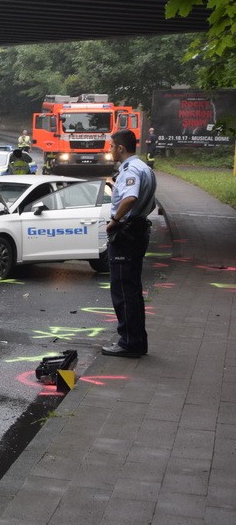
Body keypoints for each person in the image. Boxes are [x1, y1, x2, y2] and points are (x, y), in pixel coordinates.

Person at [102, 129, 156, 357]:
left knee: (123, 291)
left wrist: (114, 221)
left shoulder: (130, 170)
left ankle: (128, 343)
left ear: (121, 148)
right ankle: (138, 341)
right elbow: (150, 203)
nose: (110, 150)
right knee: (132, 290)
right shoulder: (145, 168)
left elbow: (130, 197)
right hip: (138, 229)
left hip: (126, 234)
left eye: (112, 146)